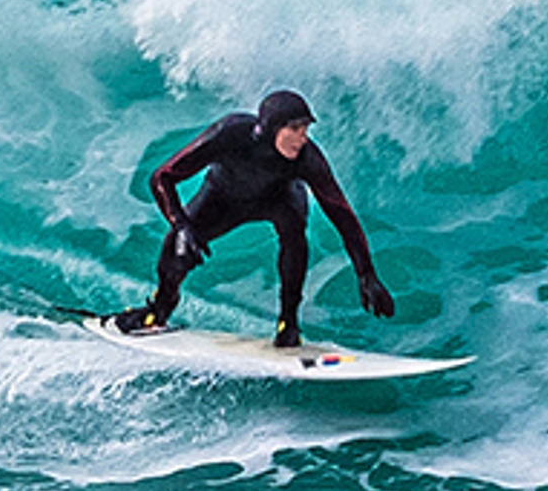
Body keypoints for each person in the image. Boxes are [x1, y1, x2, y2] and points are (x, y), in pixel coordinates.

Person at [114, 87, 395, 348]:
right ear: (272, 128)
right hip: (223, 197)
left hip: (278, 200)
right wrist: (181, 225)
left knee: (295, 231)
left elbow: (341, 214)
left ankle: (289, 322)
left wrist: (366, 273)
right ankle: (159, 309)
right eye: (295, 129)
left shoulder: (307, 159)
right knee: (177, 245)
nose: (303, 138)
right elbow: (162, 177)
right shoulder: (230, 133)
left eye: (306, 129)